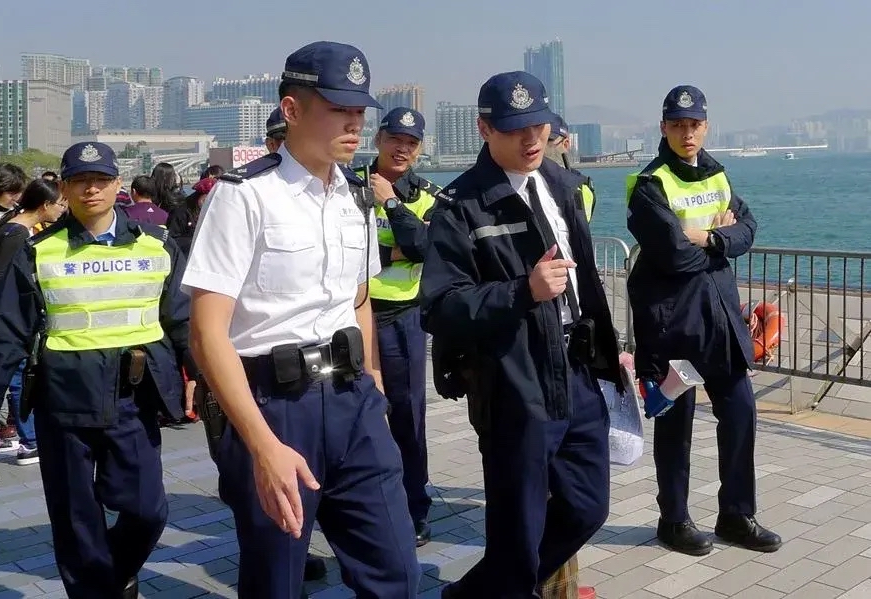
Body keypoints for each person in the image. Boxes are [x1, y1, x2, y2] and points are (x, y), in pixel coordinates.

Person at [183, 41, 419, 599]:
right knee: (277, 580)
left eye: (360, 110)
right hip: (275, 405)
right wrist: (262, 446)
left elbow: (359, 300)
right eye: (338, 107)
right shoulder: (244, 197)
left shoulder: (356, 198)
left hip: (354, 402)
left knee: (397, 575)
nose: (354, 122)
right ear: (291, 110)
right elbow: (207, 329)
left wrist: (377, 390)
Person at [421, 71, 619, 599]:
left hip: (576, 376)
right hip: (514, 387)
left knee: (588, 505)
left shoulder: (561, 186)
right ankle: (505, 586)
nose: (532, 139)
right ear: (485, 130)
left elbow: (586, 283)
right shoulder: (461, 205)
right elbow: (439, 307)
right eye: (516, 130)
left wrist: (608, 350)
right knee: (517, 528)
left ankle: (481, 590)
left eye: (540, 126)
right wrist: (521, 291)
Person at [0, 141, 197, 599]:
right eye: (79, 181)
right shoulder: (37, 252)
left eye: (100, 180)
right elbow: (3, 338)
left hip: (135, 397)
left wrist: (202, 379)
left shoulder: (157, 246)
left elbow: (184, 323)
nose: (91, 189)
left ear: (117, 183)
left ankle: (112, 576)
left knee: (147, 510)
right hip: (63, 400)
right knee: (76, 519)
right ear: (65, 188)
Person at [626, 85, 781, 556]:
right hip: (673, 323)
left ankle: (736, 514)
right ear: (663, 128)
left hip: (720, 318)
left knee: (740, 412)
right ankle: (673, 519)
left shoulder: (719, 175)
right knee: (677, 424)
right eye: (677, 124)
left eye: (694, 124)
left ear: (706, 126)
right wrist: (715, 238)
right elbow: (671, 254)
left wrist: (708, 239)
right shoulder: (649, 183)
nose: (686, 133)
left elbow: (748, 229)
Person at [367, 107, 437, 546]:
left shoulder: (427, 196)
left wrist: (391, 203)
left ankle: (416, 508)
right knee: (356, 415)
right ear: (379, 140)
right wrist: (394, 251)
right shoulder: (350, 184)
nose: (402, 149)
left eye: (410, 143)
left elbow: (426, 247)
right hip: (351, 314)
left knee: (408, 417)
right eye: (395, 139)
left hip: (402, 318)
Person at [0, 178, 67, 466]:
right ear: (46, 205)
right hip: (1, 318)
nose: (62, 211)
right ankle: (29, 440)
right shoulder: (18, 234)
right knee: (16, 378)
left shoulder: (12, 225)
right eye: (61, 205)